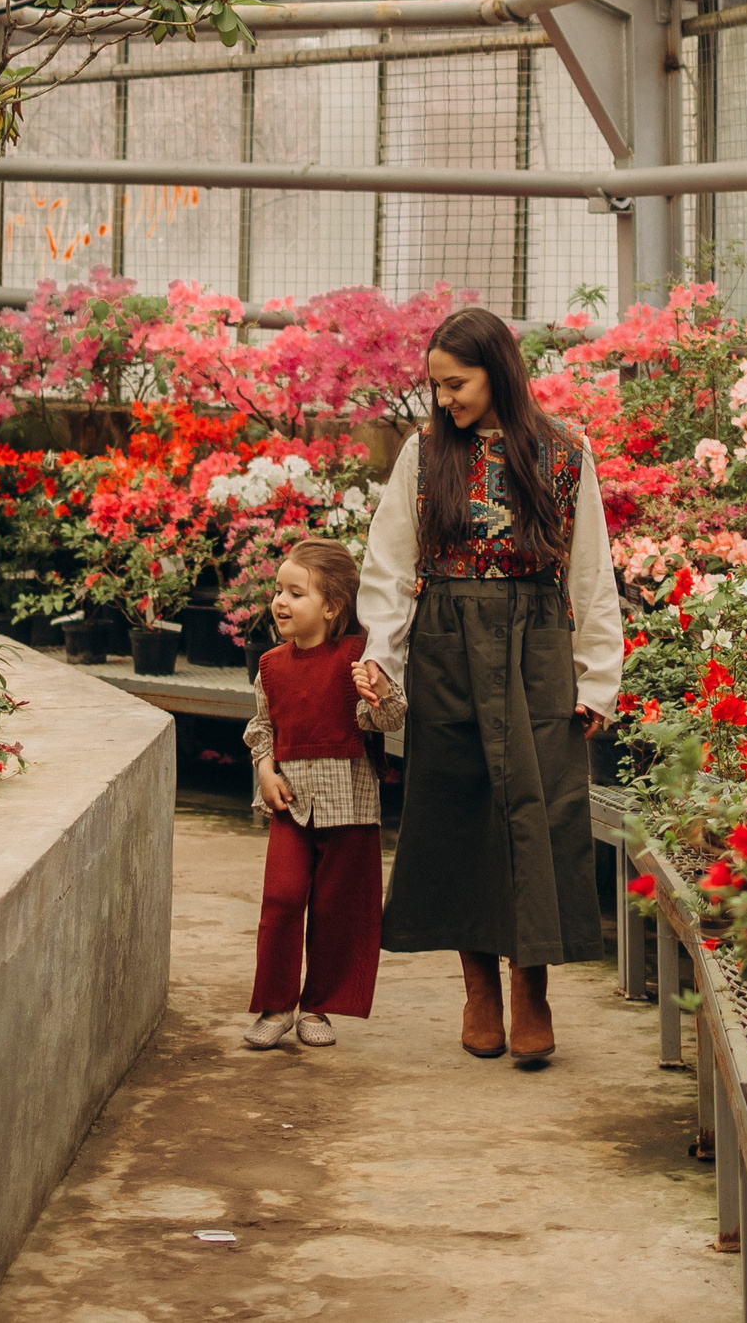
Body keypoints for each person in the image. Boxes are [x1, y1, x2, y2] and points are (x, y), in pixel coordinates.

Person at [353, 306, 623, 1064]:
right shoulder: (424, 454)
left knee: (537, 812)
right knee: (457, 806)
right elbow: (389, 564)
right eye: (436, 387)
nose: (445, 401)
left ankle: (531, 985)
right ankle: (478, 987)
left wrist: (598, 679)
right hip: (445, 642)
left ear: (497, 370)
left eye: (457, 384)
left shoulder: (565, 452)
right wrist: (384, 653)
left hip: (537, 642)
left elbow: (592, 573)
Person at [242, 538, 399, 1050]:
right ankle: (276, 1004)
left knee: (338, 910)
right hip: (291, 805)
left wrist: (376, 692)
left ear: (332, 607)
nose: (280, 601)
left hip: (350, 807)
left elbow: (389, 719)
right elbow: (262, 727)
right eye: (278, 590)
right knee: (281, 900)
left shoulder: (357, 658)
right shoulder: (270, 665)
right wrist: (265, 768)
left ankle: (318, 1006)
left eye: (296, 593)